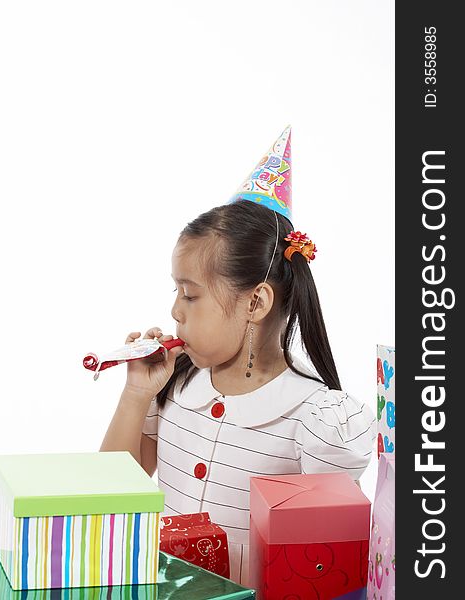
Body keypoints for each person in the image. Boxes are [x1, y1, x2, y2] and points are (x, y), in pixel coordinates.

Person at [100, 128, 376, 587]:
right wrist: (135, 394)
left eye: (190, 295)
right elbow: (109, 490)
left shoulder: (313, 417)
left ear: (256, 303)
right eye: (175, 292)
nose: (174, 310)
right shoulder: (176, 385)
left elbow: (327, 563)